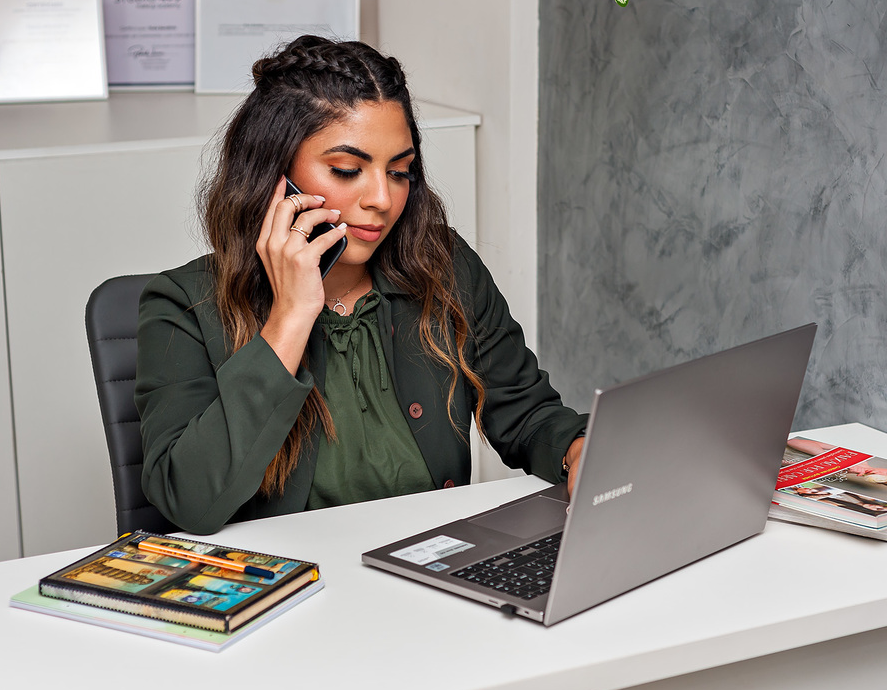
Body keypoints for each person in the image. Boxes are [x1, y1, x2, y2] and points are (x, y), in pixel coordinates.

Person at [135, 35, 588, 535]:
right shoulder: (183, 305)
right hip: (291, 577)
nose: (382, 199)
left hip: (427, 562)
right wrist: (290, 317)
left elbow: (526, 411)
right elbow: (189, 500)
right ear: (273, 172)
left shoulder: (443, 265)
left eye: (400, 172)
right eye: (347, 170)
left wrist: (577, 449)